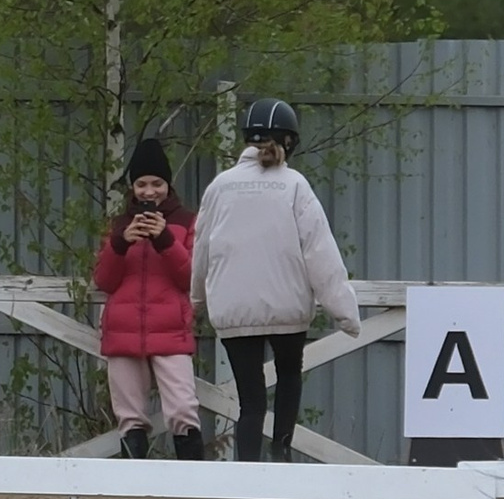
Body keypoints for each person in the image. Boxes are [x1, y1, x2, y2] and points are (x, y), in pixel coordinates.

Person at [190, 96, 362, 462]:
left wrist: (196, 300)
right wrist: (345, 312)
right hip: (287, 306)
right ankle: (281, 454)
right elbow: (320, 252)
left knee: (250, 402)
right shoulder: (294, 185)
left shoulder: (219, 187)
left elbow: (201, 249)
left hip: (234, 311)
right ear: (289, 140)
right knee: (288, 379)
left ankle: (247, 479)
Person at [93, 135, 205, 459]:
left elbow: (190, 278)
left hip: (170, 329)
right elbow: (104, 280)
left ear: (168, 185)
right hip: (123, 331)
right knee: (130, 418)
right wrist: (120, 243)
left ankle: (192, 486)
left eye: (157, 183)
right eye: (141, 184)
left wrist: (165, 239)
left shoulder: (187, 222)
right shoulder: (118, 226)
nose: (149, 192)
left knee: (183, 409)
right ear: (132, 188)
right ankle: (133, 491)